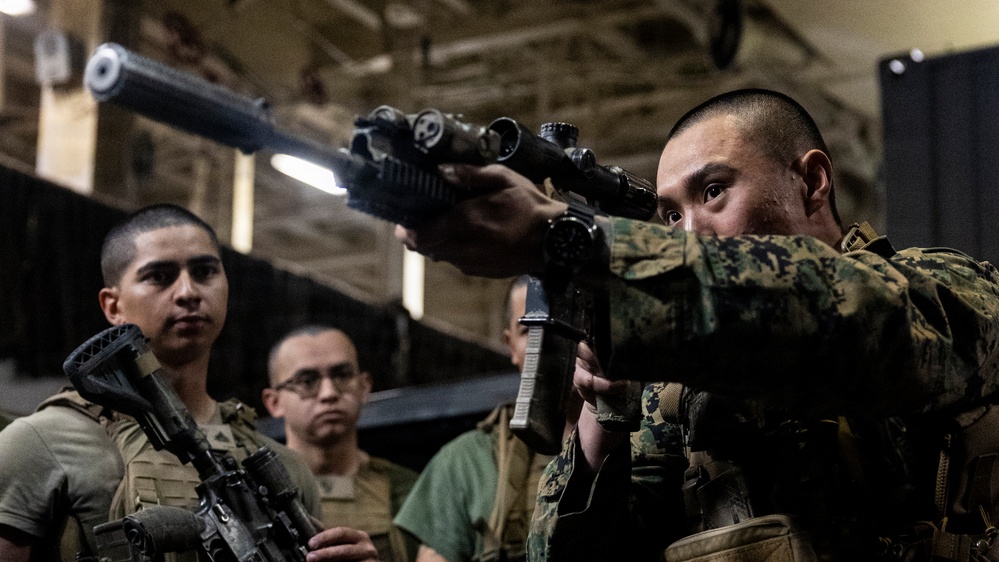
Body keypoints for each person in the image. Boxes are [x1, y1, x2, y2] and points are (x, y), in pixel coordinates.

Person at [396, 89, 999, 560]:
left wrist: (576, 245)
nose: (688, 234)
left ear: (812, 182)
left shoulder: (946, 289)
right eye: (669, 215)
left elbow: (847, 319)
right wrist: (603, 417)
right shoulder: (674, 392)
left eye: (713, 192)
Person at [0, 204, 379, 562]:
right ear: (113, 306)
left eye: (204, 272)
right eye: (159, 277)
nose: (188, 293)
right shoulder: (39, 444)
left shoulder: (284, 469)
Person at [394, 275, 580, 562]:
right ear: (511, 347)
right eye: (529, 330)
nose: (548, 343)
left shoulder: (653, 435)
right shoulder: (466, 462)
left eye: (564, 325)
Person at [262, 325, 419, 562]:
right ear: (274, 402)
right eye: (307, 381)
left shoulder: (409, 492)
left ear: (364, 386)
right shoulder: (252, 494)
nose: (328, 393)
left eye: (342, 375)